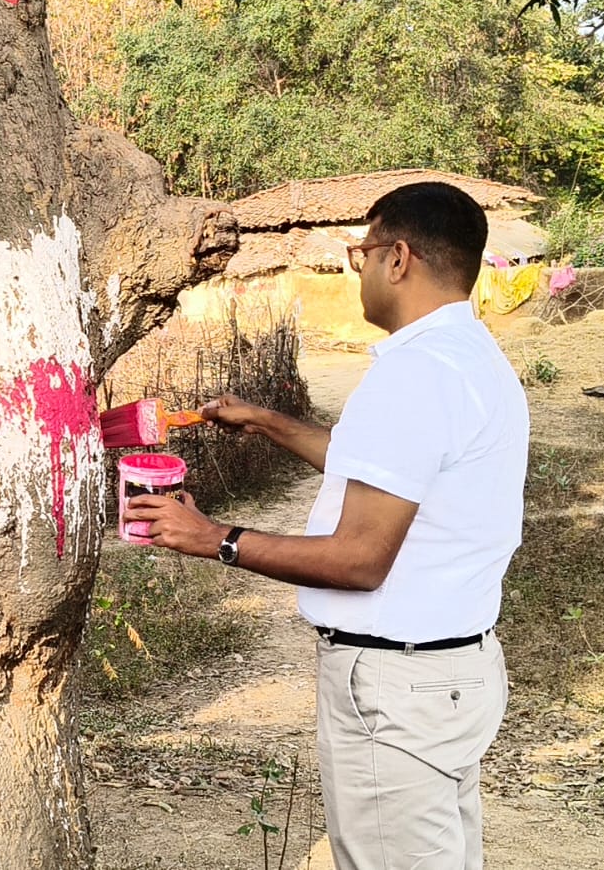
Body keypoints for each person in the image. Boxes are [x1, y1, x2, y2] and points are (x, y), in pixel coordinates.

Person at [124, 181, 528, 870]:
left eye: (359, 252)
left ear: (396, 257)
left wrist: (213, 538)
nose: (357, 269)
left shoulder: (413, 374)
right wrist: (263, 420)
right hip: (450, 675)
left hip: (396, 690)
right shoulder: (469, 358)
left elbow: (359, 558)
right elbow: (383, 466)